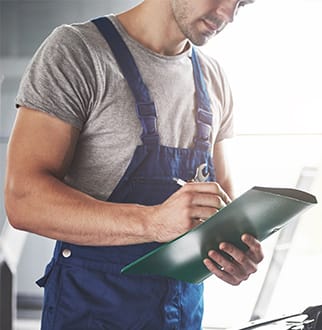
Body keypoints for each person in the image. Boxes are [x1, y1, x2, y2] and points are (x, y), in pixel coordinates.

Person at [4, 0, 263, 328]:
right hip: (90, 314)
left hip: (182, 317)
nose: (228, 15)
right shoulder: (77, 52)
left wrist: (232, 252)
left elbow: (220, 210)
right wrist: (151, 222)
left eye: (242, 3)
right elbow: (23, 200)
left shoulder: (213, 79)